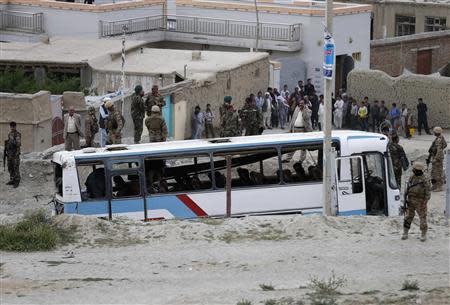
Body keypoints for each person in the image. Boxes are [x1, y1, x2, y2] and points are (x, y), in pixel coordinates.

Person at [402, 162, 431, 242]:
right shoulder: (412, 177)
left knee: (422, 217)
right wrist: (406, 197)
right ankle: (405, 232)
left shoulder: (425, 179)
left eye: (414, 169)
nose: (413, 170)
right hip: (411, 200)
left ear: (418, 170)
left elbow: (428, 191)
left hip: (420, 201)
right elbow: (408, 187)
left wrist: (425, 202)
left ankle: (423, 234)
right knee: (408, 216)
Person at [428, 126, 447, 192]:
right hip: (436, 157)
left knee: (438, 172)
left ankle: (439, 186)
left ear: (436, 132)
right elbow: (445, 145)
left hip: (437, 158)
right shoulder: (440, 138)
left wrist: (436, 158)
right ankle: (434, 185)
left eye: (434, 132)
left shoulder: (439, 140)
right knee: (433, 172)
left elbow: (439, 150)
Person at [4, 122, 21, 188]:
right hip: (10, 154)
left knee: (15, 168)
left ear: (15, 127)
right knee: (10, 167)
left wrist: (11, 140)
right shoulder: (10, 134)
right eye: (11, 126)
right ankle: (12, 179)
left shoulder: (17, 134)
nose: (12, 128)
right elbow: (9, 143)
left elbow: (18, 144)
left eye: (13, 126)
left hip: (15, 154)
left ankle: (17, 181)